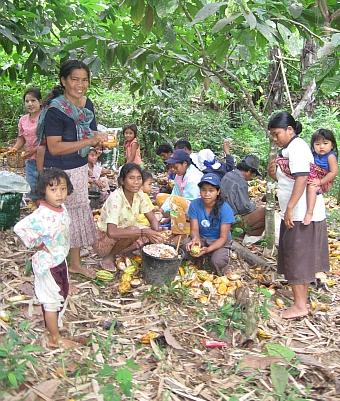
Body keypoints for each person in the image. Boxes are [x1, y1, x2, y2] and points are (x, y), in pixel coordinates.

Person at [37, 59, 107, 278]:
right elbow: (55, 147)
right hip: (57, 170)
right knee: (56, 214)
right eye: (75, 79)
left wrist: (99, 141)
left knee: (76, 212)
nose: (80, 84)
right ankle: (49, 264)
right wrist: (88, 142)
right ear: (63, 81)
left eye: (84, 80)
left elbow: (91, 133)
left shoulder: (88, 104)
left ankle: (75, 263)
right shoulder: (55, 110)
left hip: (78, 167)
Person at [268, 111, 329, 319]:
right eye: (272, 136)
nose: (275, 139)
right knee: (295, 254)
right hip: (293, 211)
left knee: (298, 256)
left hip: (301, 213)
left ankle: (300, 305)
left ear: (290, 130)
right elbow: (285, 179)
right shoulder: (287, 150)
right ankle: (300, 300)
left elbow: (302, 178)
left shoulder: (298, 148)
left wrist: (291, 208)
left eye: (277, 134)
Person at [14, 168, 76, 348]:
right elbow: (20, 228)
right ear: (44, 190)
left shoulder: (60, 207)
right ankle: (54, 339)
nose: (59, 194)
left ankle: (54, 327)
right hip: (48, 263)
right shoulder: (42, 214)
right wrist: (38, 244)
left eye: (63, 189)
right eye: (53, 189)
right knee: (50, 300)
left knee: (61, 293)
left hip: (59, 259)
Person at [94, 163, 163, 269]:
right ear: (122, 181)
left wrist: (156, 235)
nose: (136, 182)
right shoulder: (116, 198)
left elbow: (152, 218)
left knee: (150, 232)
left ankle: (123, 252)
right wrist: (143, 232)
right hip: (105, 241)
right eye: (131, 178)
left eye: (139, 178)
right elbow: (111, 232)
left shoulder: (139, 194)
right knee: (137, 230)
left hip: (124, 233)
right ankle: (109, 257)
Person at [185, 173, 235, 276]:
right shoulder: (194, 204)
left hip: (219, 241)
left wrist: (208, 249)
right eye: (204, 190)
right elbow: (194, 230)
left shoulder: (225, 209)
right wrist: (196, 240)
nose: (207, 193)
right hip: (202, 238)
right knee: (184, 246)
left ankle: (214, 260)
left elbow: (223, 238)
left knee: (217, 261)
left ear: (218, 192)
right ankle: (199, 259)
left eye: (211, 190)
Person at [156, 150, 203, 234]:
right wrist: (162, 210)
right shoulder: (179, 175)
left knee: (176, 202)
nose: (173, 170)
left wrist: (171, 211)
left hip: (197, 209)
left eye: (175, 167)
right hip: (184, 204)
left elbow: (192, 201)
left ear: (185, 163)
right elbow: (174, 194)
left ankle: (180, 231)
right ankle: (173, 219)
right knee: (160, 197)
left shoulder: (193, 177)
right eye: (171, 167)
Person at [9, 87, 42, 201]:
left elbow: (47, 140)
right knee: (31, 186)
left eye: (33, 100)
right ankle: (35, 210)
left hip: (45, 159)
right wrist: (14, 149)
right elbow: (21, 138)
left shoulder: (45, 117)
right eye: (27, 101)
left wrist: (32, 151)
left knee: (45, 186)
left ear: (40, 102)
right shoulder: (23, 120)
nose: (30, 104)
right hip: (30, 160)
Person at [220, 155, 265, 236]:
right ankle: (246, 236)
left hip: (220, 214)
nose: (252, 177)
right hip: (230, 219)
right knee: (264, 212)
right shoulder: (241, 182)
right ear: (249, 171)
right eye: (253, 174)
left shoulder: (228, 174)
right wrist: (255, 206)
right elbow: (244, 208)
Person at [303, 129, 338, 225]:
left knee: (312, 187)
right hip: (314, 176)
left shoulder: (331, 156)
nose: (321, 146)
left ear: (332, 145)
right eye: (317, 144)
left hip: (325, 180)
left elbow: (333, 172)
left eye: (325, 143)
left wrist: (320, 182)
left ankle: (309, 212)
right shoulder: (313, 155)